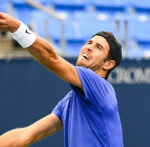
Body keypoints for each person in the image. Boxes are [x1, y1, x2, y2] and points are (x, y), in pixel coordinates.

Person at [0, 12, 124, 147]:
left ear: (108, 64)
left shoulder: (100, 86)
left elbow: (50, 58)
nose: (89, 47)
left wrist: (18, 28)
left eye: (98, 47)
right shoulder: (68, 102)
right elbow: (29, 134)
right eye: (89, 42)